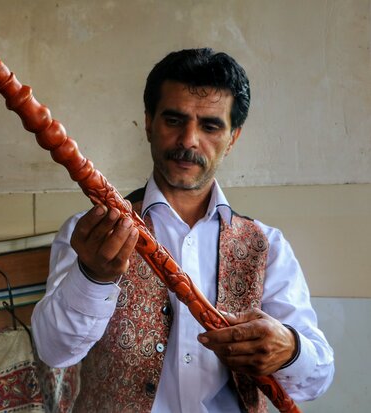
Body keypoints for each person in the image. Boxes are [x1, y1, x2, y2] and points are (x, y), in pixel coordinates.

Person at [31, 48, 334, 412]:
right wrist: (91, 277)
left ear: (233, 137)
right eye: (174, 120)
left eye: (210, 126)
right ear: (148, 123)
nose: (189, 139)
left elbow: (316, 378)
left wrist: (289, 349)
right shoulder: (91, 234)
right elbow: (54, 351)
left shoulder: (266, 246)